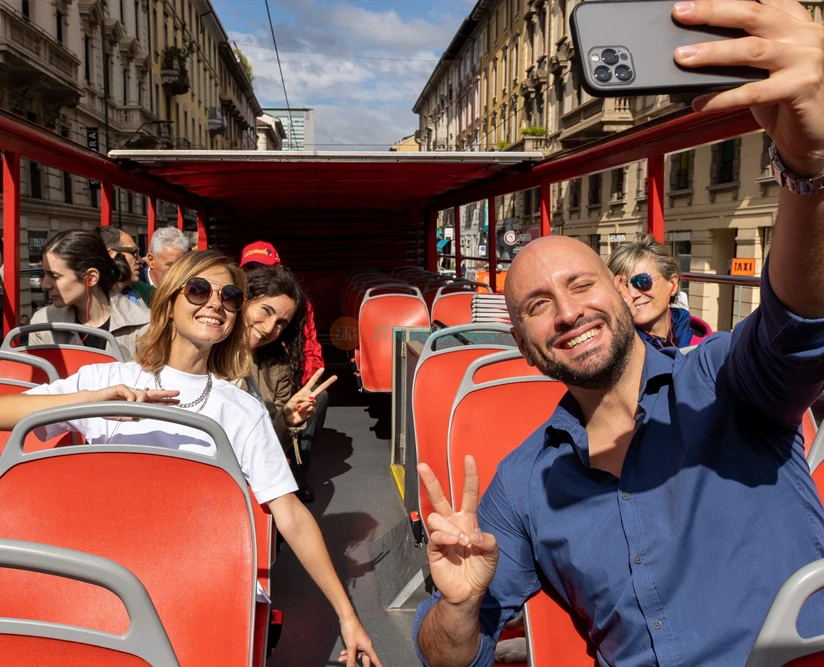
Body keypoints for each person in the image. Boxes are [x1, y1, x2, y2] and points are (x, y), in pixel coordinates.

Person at [413, 3, 824, 666]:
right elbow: (448, 655)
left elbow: (800, 325)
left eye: (582, 285)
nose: (569, 311)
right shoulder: (522, 484)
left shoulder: (726, 380)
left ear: (626, 296)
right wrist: (459, 604)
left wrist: (806, 169)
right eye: (538, 305)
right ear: (523, 344)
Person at [0, 250, 380, 667]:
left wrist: (347, 615)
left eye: (231, 296)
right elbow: (5, 413)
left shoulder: (241, 410)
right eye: (200, 290)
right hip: (101, 575)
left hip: (191, 580)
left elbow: (288, 513)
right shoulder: (106, 379)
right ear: (169, 302)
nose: (216, 303)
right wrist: (92, 403)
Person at [240, 241, 327, 502]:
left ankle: (298, 475)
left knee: (316, 400)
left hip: (284, 373)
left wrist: (304, 389)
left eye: (264, 269)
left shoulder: (295, 307)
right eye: (251, 270)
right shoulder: (214, 330)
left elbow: (310, 348)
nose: (269, 327)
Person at [29, 230, 149, 360]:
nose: (45, 285)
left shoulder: (144, 325)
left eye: (55, 276)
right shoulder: (42, 322)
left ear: (91, 278)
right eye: (45, 274)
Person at [607, 233, 712, 348]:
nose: (632, 294)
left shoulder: (706, 345)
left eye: (642, 281)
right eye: (623, 286)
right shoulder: (615, 352)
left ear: (673, 283)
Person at [99, 226, 154, 307]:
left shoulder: (144, 291)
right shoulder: (89, 297)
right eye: (134, 252)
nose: (140, 260)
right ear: (109, 254)